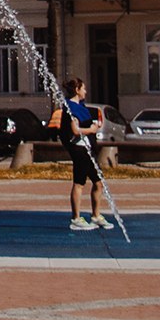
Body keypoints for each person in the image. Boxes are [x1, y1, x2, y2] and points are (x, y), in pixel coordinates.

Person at [60, 78, 111, 231]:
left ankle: (96, 215)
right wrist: (92, 130)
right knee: (79, 183)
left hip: (87, 148)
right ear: (77, 90)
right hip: (79, 148)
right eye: (84, 88)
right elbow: (75, 130)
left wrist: (94, 125)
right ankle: (76, 218)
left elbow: (84, 124)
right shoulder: (70, 108)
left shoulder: (81, 106)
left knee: (98, 182)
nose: (86, 91)